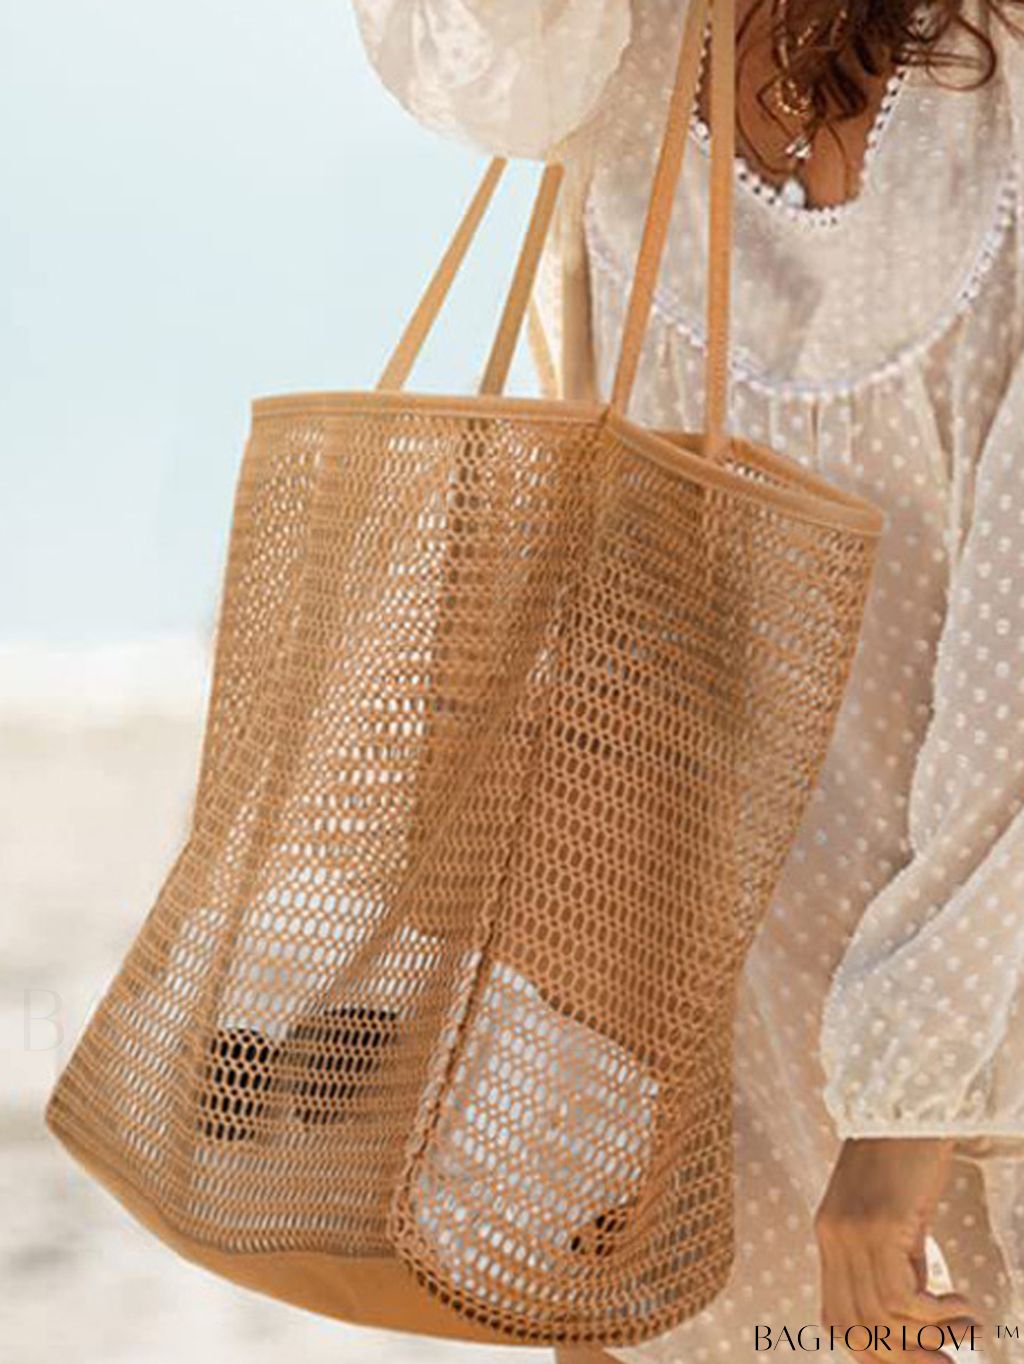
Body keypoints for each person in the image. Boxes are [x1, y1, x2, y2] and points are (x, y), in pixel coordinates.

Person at [351, 1, 1024, 1359]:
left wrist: (907, 1106)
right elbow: (472, 64)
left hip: (977, 999)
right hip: (667, 1011)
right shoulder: (619, 44)